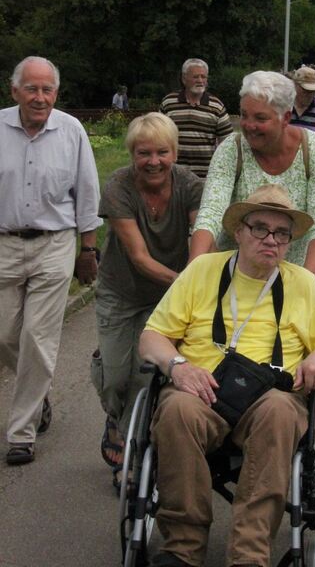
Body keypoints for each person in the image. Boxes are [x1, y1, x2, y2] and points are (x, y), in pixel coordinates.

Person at [138, 184, 315, 567]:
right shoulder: (202, 271)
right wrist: (178, 367)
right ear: (238, 231)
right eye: (260, 228)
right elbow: (152, 337)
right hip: (200, 387)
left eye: (282, 233)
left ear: (289, 241)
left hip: (272, 394)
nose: (271, 240)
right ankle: (182, 549)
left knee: (280, 413)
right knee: (175, 413)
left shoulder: (302, 283)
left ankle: (248, 555)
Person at [92, 112, 203, 488]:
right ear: (131, 154)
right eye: (143, 153)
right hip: (121, 291)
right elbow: (139, 258)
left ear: (174, 152)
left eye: (161, 152)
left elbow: (201, 236)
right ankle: (113, 401)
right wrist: (186, 284)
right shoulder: (119, 187)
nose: (153, 161)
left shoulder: (188, 183)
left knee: (145, 372)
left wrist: (194, 280)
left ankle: (132, 450)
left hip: (165, 298)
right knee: (114, 378)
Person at [0, 56, 101, 466]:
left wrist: (88, 248)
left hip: (54, 244)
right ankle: (39, 396)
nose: (39, 98)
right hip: (4, 244)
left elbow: (87, 192)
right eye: (31, 89)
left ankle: (21, 433)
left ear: (56, 94)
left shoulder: (71, 131)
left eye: (47, 90)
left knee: (37, 339)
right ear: (15, 91)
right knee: (6, 336)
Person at [189, 70, 315, 305]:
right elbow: (211, 212)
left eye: (260, 118)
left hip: (303, 270)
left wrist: (306, 283)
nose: (248, 125)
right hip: (242, 275)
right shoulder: (231, 150)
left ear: (286, 118)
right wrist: (193, 270)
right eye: (244, 115)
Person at [160, 58, 233, 179]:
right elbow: (158, 137)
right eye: (195, 77)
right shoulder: (169, 103)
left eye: (203, 77)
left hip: (205, 177)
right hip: (173, 175)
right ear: (184, 79)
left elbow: (227, 143)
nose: (200, 81)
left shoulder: (216, 106)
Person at [290, 66, 315, 138]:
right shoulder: (283, 105)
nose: (310, 95)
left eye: (313, 91)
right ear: (295, 86)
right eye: (305, 91)